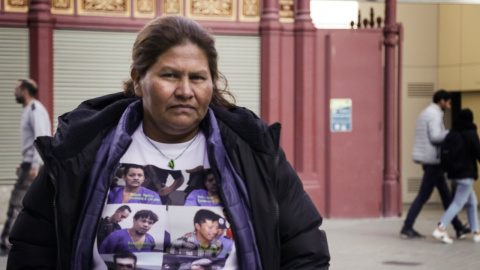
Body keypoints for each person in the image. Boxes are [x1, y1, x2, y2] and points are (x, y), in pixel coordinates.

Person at [7, 15, 330, 270]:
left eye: (198, 78)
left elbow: (305, 250)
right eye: (170, 75)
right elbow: (32, 252)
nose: (186, 91)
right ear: (137, 79)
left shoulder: (254, 152)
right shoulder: (80, 152)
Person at [400, 90, 469, 239]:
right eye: (449, 102)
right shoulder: (434, 115)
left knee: (445, 195)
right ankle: (407, 226)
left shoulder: (427, 112)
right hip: (433, 161)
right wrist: (451, 134)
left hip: (431, 160)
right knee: (424, 196)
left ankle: (458, 227)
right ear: (442, 101)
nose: (450, 105)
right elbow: (436, 136)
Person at [0, 79, 51, 256]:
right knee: (26, 203)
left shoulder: (35, 110)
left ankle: (6, 244)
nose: (14, 92)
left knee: (17, 203)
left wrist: (34, 164)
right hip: (30, 163)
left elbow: (40, 136)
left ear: (25, 91)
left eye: (16, 89)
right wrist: (24, 163)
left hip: (34, 164)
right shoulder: (29, 110)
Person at [432, 109, 480, 243]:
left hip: (454, 175)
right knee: (458, 203)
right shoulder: (471, 133)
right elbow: (478, 151)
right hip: (467, 174)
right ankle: (440, 228)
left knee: (472, 202)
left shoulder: (451, 134)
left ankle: (476, 231)